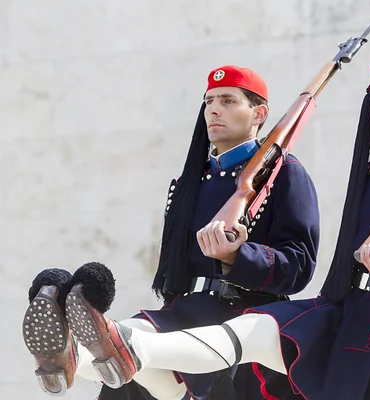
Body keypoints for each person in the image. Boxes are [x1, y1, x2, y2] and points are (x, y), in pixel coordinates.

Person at [58, 57, 370, 400]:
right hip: (350, 311)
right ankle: (82, 355)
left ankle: (113, 350)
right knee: (262, 328)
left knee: (250, 330)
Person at [22, 64, 320, 400]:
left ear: (259, 113)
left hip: (241, 313)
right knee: (125, 338)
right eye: (208, 101)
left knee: (138, 348)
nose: (214, 110)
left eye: (228, 100)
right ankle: (68, 352)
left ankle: (83, 351)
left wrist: (238, 256)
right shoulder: (188, 184)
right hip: (182, 311)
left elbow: (298, 265)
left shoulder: (286, 175)